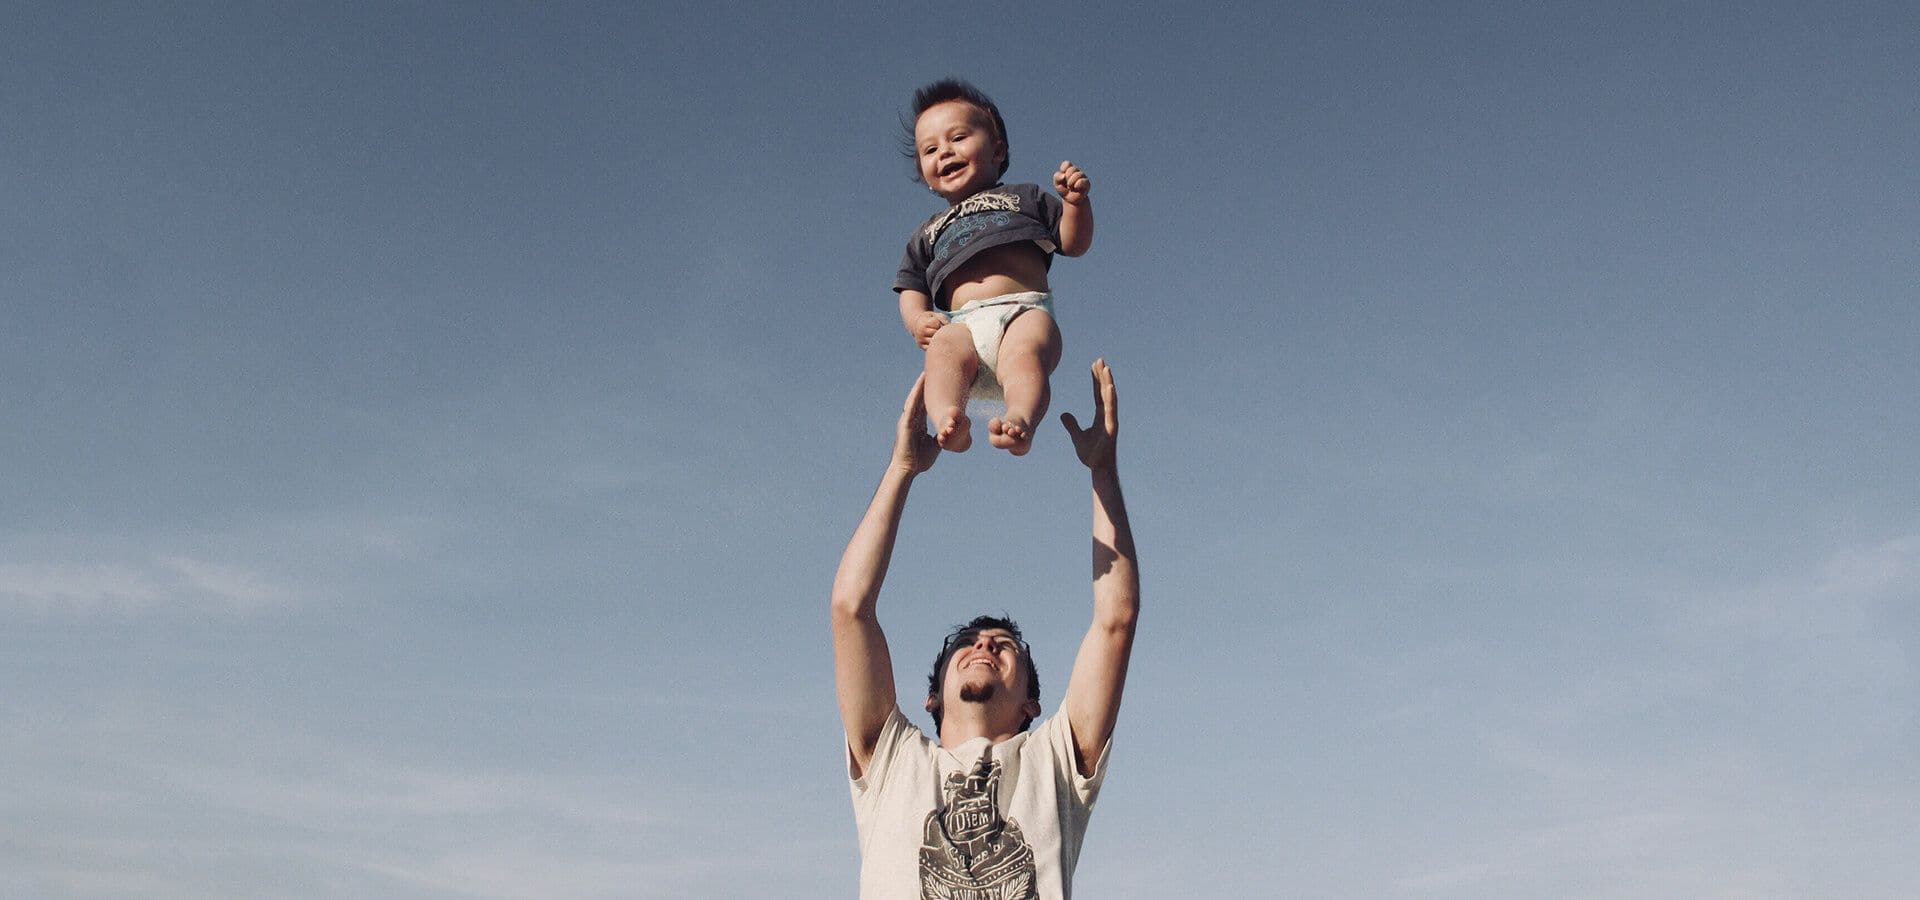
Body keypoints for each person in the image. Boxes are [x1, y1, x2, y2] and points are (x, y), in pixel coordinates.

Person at [832, 360, 1138, 898]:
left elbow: (1116, 620)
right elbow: (851, 608)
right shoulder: (893, 762)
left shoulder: (1056, 765)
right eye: (967, 643)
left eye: (1005, 646)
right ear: (932, 697)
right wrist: (902, 467)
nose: (985, 645)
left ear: (1030, 706)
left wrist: (1103, 471)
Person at [894, 79, 1094, 456]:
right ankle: (949, 419)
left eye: (958, 137)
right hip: (962, 324)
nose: (945, 152)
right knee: (941, 353)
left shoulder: (1024, 197)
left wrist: (1075, 205)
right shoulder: (928, 232)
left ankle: (1020, 418)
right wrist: (918, 320)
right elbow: (911, 286)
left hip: (1024, 310)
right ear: (924, 173)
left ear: (997, 148)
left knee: (1024, 358)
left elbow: (1072, 243)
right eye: (931, 149)